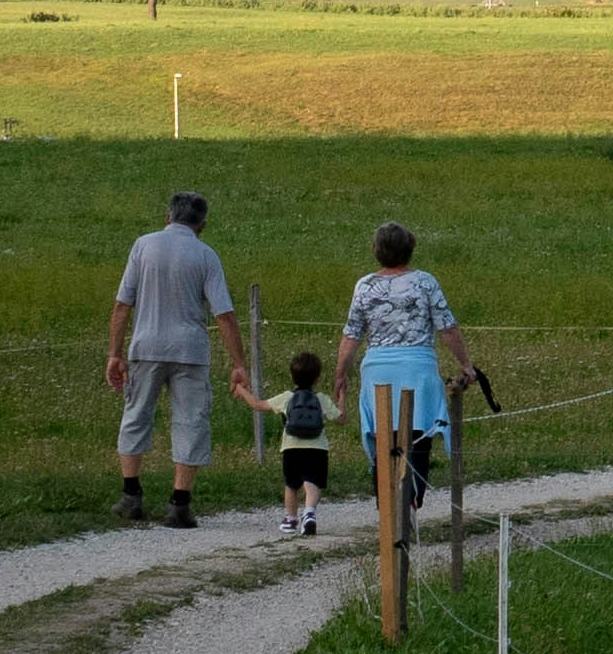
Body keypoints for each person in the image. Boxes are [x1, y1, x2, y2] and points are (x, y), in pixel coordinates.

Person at [108, 190, 256, 528]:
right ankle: (179, 502)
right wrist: (238, 364)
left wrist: (115, 354)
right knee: (191, 421)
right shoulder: (206, 255)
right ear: (202, 225)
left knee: (136, 416)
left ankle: (131, 494)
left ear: (167, 216)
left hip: (146, 346)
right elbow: (224, 315)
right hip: (190, 350)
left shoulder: (143, 246)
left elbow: (122, 305)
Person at [330, 221, 473, 516]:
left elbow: (352, 334)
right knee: (418, 435)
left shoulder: (365, 285)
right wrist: (466, 364)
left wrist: (340, 373)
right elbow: (447, 328)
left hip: (378, 369)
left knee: (385, 437)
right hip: (417, 367)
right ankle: (412, 496)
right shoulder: (425, 282)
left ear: (377, 251)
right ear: (410, 248)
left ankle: (386, 504)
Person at [252, 347, 333, 535]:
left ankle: (290, 519)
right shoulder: (321, 399)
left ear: (292, 376)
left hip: (291, 448)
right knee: (312, 482)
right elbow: (341, 418)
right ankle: (310, 512)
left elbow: (259, 405)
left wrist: (241, 391)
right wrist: (343, 397)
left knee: (291, 484)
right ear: (317, 378)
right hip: (318, 448)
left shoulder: (287, 398)